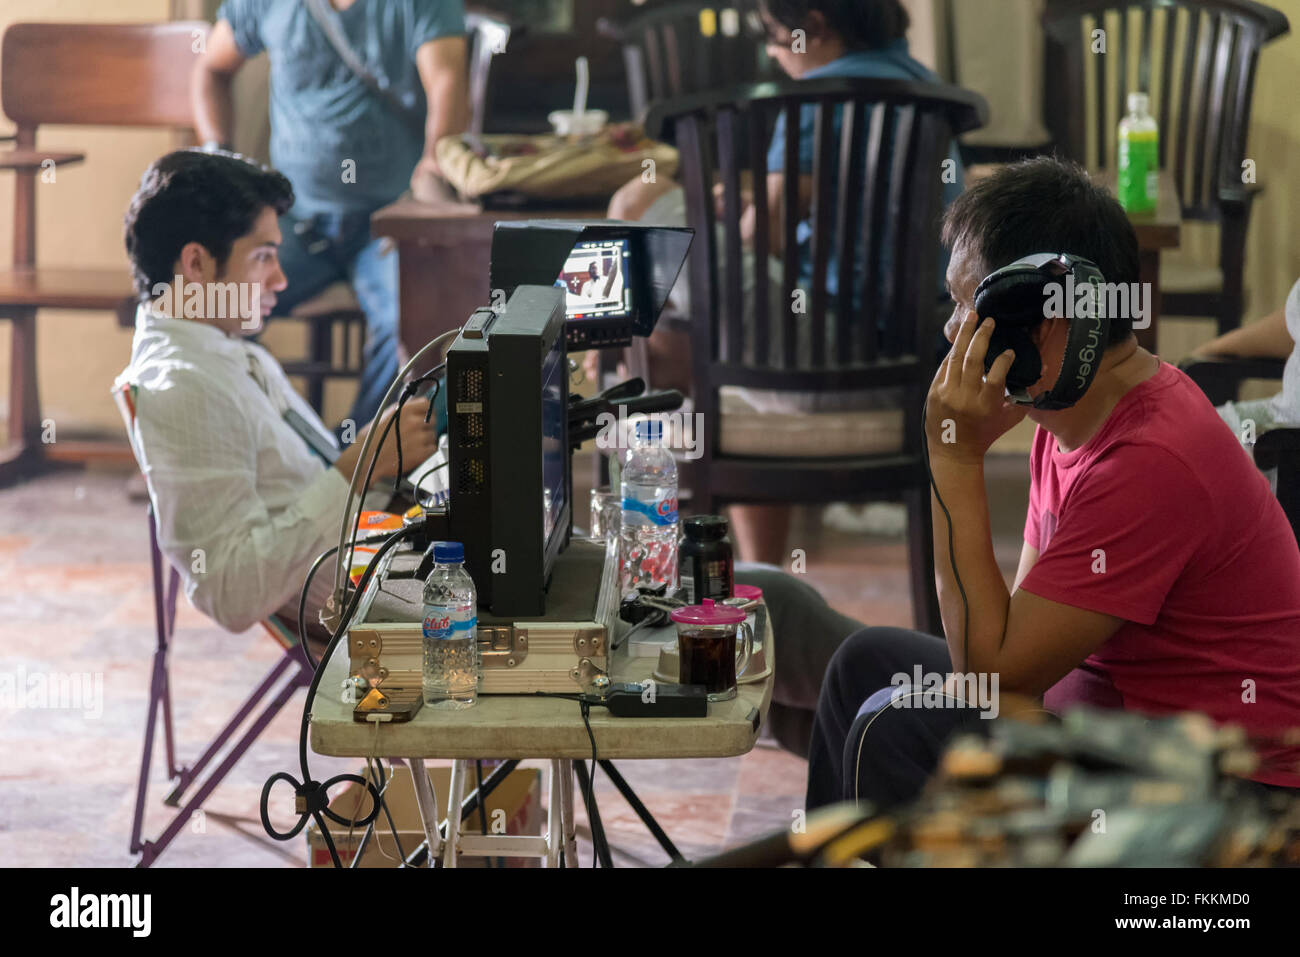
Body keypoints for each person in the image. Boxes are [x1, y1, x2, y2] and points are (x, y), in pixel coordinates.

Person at [806, 157, 1300, 810]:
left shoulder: (1152, 458)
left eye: (967, 305)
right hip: (1109, 724)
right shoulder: (1068, 411)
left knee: (895, 729)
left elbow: (992, 674)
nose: (951, 331)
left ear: (1046, 324)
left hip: (1225, 788)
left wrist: (953, 457)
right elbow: (1011, 653)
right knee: (861, 666)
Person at [599, 0, 965, 564]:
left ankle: (725, 561)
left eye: (773, 37)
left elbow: (759, 237)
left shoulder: (815, 99)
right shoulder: (926, 93)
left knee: (637, 204)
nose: (773, 54)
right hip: (910, 368)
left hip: (819, 363)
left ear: (813, 26)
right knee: (685, 334)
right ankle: (760, 571)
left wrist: (735, 211)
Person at [116, 150, 440, 640]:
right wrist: (357, 468)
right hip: (367, 594)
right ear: (197, 263)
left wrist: (384, 467)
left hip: (374, 544)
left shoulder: (230, 352)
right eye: (263, 257)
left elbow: (310, 484)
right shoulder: (183, 387)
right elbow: (229, 591)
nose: (281, 280)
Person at [192, 0, 469, 431]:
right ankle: (263, 447)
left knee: (413, 324)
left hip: (390, 224)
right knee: (214, 304)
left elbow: (447, 80)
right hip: (291, 223)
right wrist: (216, 153)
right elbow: (212, 68)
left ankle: (358, 464)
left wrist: (433, 164)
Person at [1190, 277, 1300, 489]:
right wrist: (1204, 353)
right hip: (1272, 425)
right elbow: (1293, 320)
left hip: (1282, 457)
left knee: (1150, 462)